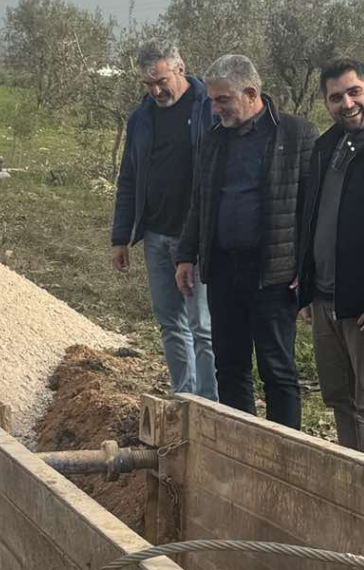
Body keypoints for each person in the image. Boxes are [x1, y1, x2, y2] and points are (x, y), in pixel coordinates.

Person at [174, 54, 317, 429]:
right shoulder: (214, 138)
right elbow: (200, 201)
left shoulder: (296, 134)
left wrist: (307, 267)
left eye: (223, 99)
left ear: (251, 93)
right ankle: (240, 444)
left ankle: (285, 448)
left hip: (273, 273)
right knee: (229, 365)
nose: (215, 108)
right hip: (224, 270)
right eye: (212, 100)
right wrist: (186, 255)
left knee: (277, 369)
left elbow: (312, 207)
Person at [296, 58, 364, 464]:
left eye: (354, 92)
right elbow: (311, 216)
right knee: (341, 398)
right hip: (326, 296)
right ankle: (355, 483)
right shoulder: (327, 146)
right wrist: (306, 284)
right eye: (335, 97)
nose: (347, 103)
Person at [110, 39, 217, 399]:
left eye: (161, 81)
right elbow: (128, 177)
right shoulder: (140, 119)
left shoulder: (208, 108)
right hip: (156, 235)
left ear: (179, 69)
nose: (156, 91)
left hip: (196, 237)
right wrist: (120, 237)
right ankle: (184, 398)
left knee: (203, 326)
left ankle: (210, 405)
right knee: (170, 323)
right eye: (148, 84)